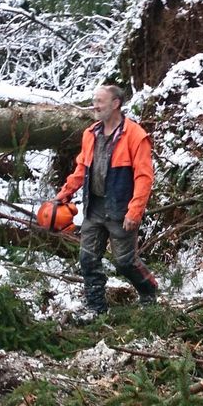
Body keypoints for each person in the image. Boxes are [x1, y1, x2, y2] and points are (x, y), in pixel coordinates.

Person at [54, 84, 161, 313]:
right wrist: (64, 194)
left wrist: (135, 211)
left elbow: (144, 177)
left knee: (124, 262)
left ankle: (149, 290)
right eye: (95, 100)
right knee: (88, 259)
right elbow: (82, 169)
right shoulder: (90, 134)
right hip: (94, 206)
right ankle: (96, 308)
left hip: (121, 208)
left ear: (116, 104)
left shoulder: (136, 136)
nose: (95, 105)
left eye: (100, 101)